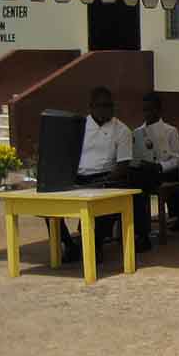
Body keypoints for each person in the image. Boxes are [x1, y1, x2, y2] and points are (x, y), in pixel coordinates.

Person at [59, 87, 150, 261]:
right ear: (91, 106)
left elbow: (123, 164)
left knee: (110, 196)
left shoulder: (121, 129)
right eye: (101, 105)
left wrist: (103, 180)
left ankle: (95, 245)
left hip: (107, 176)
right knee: (49, 204)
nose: (105, 110)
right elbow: (68, 155)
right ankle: (68, 244)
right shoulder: (79, 126)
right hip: (78, 177)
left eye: (109, 105)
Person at [131, 91, 179, 236]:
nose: (147, 113)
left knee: (138, 182)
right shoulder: (137, 132)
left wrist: (160, 166)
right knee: (133, 182)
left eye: (151, 109)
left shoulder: (170, 131)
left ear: (159, 110)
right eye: (145, 109)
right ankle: (138, 228)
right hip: (144, 171)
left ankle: (141, 232)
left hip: (164, 172)